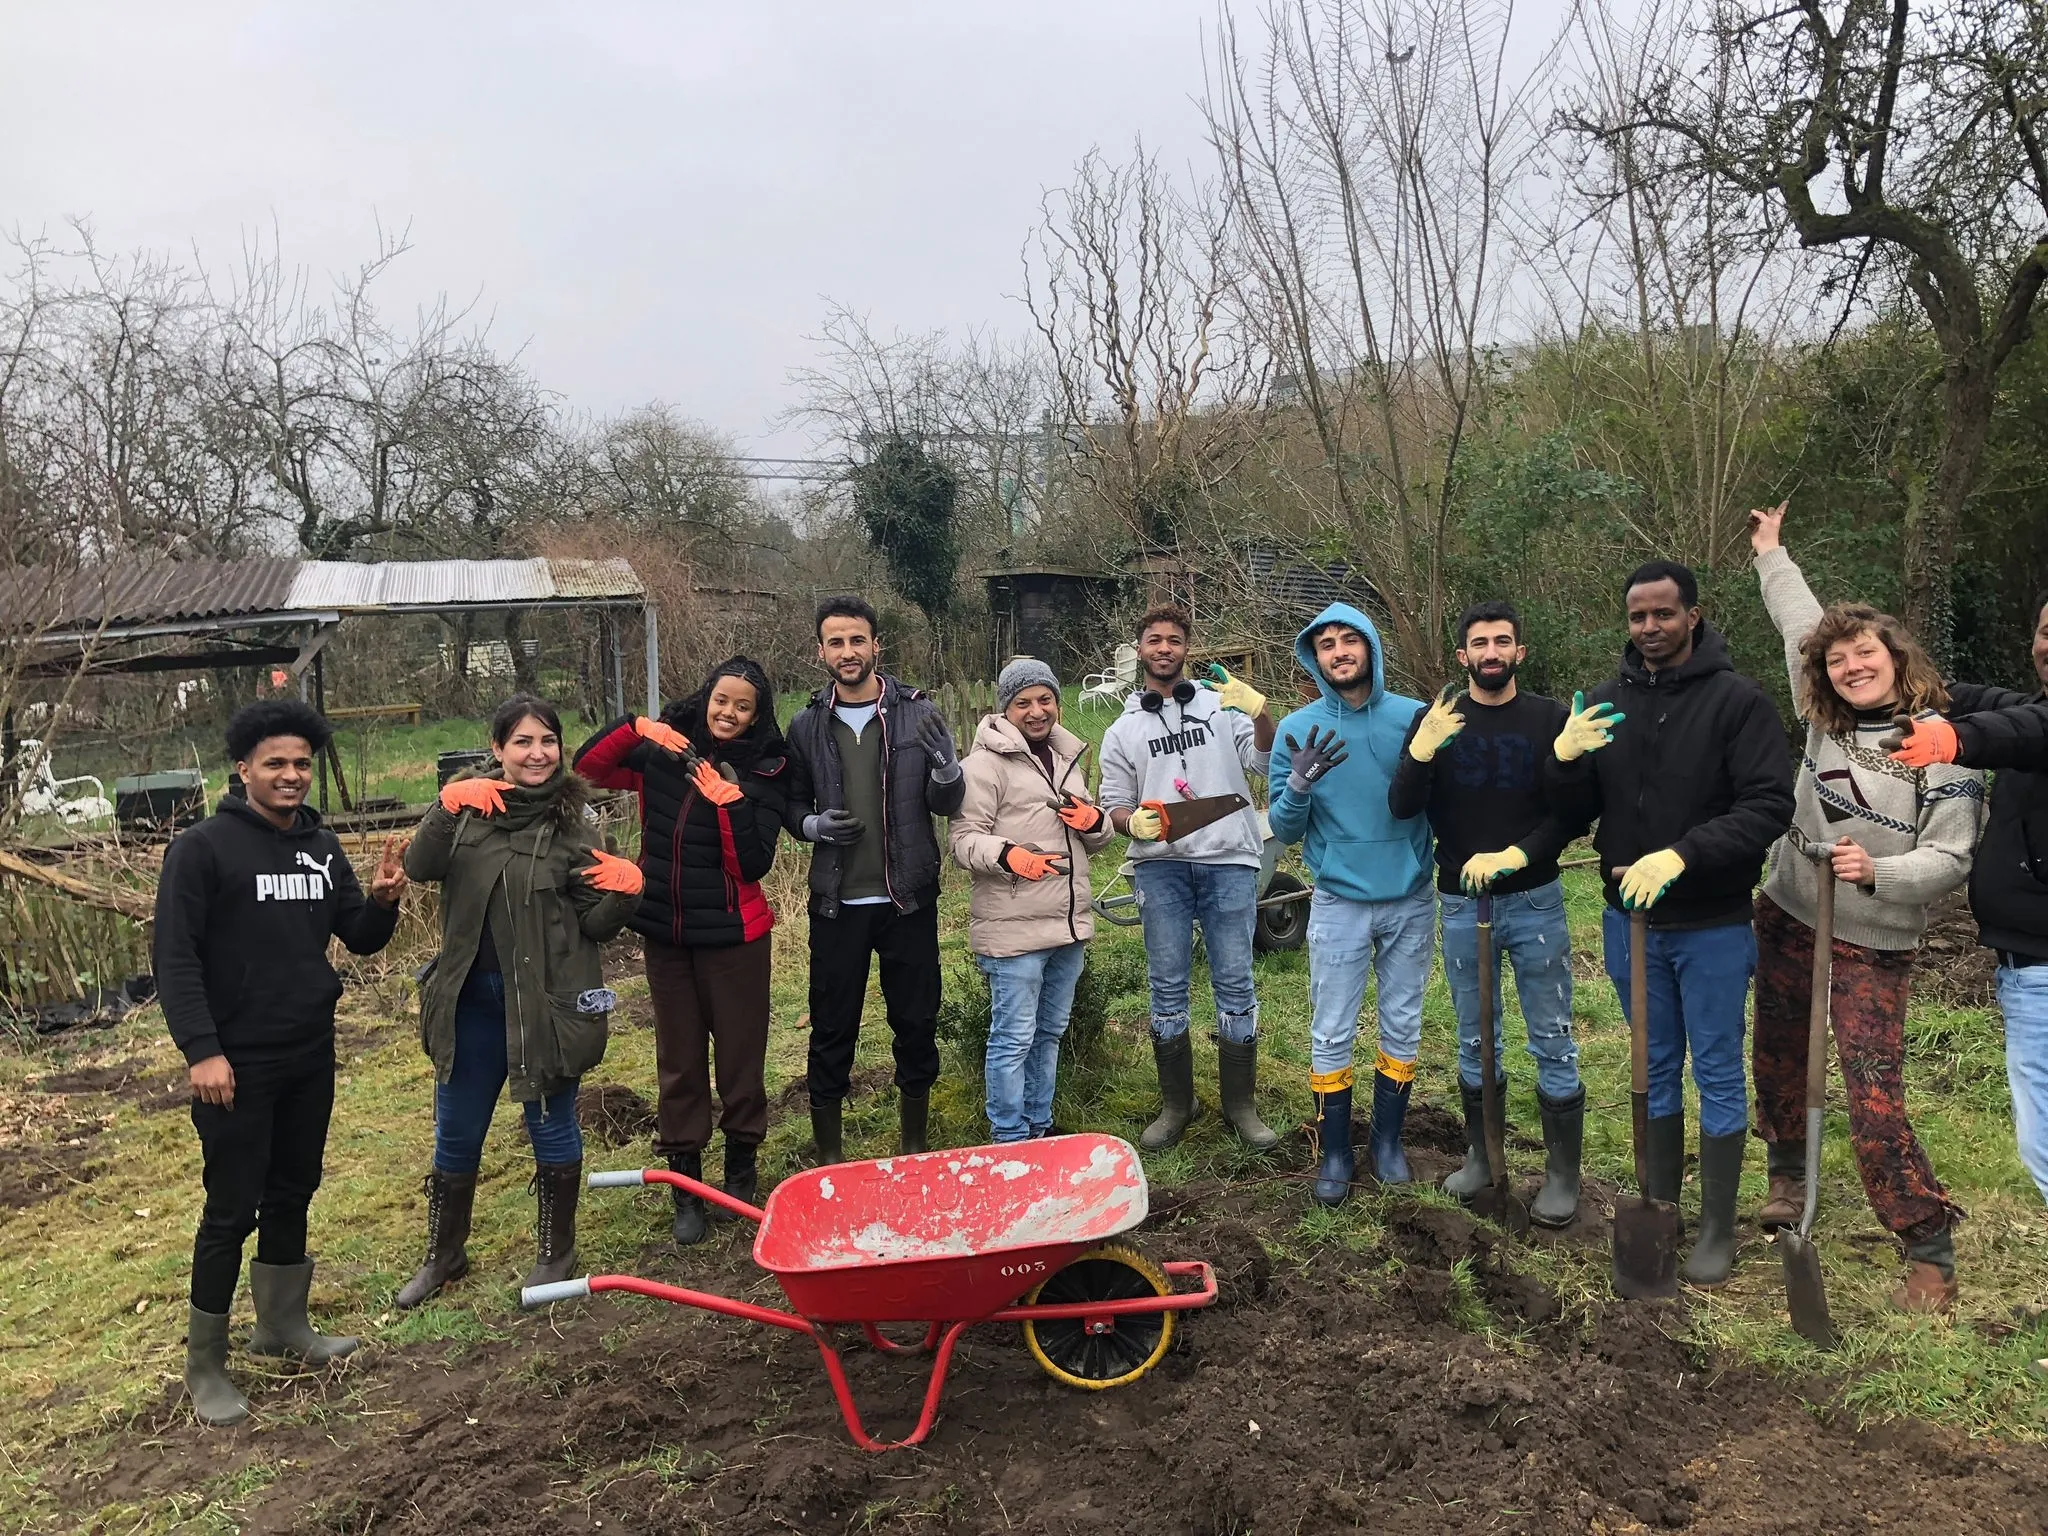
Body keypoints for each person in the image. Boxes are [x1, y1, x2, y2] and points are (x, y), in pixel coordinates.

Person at [1748, 503, 1984, 1311]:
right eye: (1841, 659)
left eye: (1865, 654)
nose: (1852, 666)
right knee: (1778, 1054)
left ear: (1895, 657)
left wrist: (1876, 870)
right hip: (1788, 912)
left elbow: (1949, 856)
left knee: (1871, 1091)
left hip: (1872, 939)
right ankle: (1787, 1177)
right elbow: (1798, 627)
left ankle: (1927, 1244)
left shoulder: (1944, 749)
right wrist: (1772, 553)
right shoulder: (1823, 718)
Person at [155, 699, 406, 1426]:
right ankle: (206, 1366)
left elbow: (356, 938)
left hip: (308, 1052)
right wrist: (202, 1050)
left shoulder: (321, 847)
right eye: (276, 764)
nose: (291, 775)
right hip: (233, 1063)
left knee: (294, 1188)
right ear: (244, 768)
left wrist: (384, 903)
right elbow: (175, 960)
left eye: (301, 763)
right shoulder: (201, 850)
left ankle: (283, 1327)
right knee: (231, 1209)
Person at [1553, 560, 1795, 1286]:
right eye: (1637, 616)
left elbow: (1766, 807)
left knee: (1716, 1066)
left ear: (1694, 615)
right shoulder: (1605, 704)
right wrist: (1564, 759)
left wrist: (1684, 856)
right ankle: (1661, 1205)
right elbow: (1569, 812)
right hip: (1630, 926)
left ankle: (1718, 1226)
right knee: (1652, 1064)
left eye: (1663, 614)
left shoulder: (1738, 703)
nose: (1649, 628)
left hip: (1712, 923)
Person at [396, 695, 642, 1308]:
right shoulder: (468, 814)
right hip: (468, 1006)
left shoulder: (575, 827)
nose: (538, 754)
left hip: (542, 1006)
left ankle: (557, 1251)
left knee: (549, 1124)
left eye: (548, 742)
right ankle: (445, 1254)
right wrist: (445, 806)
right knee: (456, 1131)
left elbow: (597, 924)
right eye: (523, 742)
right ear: (498, 749)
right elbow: (421, 867)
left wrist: (627, 893)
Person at [1387, 601, 1612, 1223]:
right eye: (1479, 643)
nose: (1491, 652)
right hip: (1462, 903)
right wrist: (1422, 753)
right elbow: (1403, 806)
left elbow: (1573, 814)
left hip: (1535, 900)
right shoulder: (1436, 721)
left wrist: (1519, 853)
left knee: (1552, 1036)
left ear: (1520, 652)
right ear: (1463, 657)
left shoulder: (1550, 719)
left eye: (1502, 642)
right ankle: (1483, 1155)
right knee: (1473, 1034)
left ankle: (1562, 1174)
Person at [572, 656, 788, 1245]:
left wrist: (731, 804)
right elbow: (588, 769)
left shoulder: (764, 768)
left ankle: (739, 1169)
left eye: (743, 706)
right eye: (723, 700)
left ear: (755, 716)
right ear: (706, 697)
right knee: (679, 1062)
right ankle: (685, 1185)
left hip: (734, 938)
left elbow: (752, 864)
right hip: (665, 932)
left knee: (741, 1059)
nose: (730, 713)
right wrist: (636, 726)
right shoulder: (662, 754)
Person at [782, 595, 964, 1163]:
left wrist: (947, 767)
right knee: (833, 1026)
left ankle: (913, 1144)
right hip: (837, 901)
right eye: (835, 642)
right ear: (821, 652)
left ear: (875, 644)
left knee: (915, 1020)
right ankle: (830, 1156)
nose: (847, 651)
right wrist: (811, 825)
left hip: (905, 896)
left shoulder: (916, 713)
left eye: (857, 640)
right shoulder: (808, 724)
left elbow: (947, 802)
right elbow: (787, 803)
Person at [1886, 590, 2048, 1211]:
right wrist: (1910, 682)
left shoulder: (2033, 725)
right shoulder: (2031, 708)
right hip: (2025, 970)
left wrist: (1955, 741)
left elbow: (2021, 729)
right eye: (2043, 632)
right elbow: (1999, 706)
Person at [1099, 605, 1279, 1151]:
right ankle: (1178, 1103)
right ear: (1141, 649)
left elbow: (1268, 763)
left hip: (1230, 861)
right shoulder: (1122, 729)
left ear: (1187, 649)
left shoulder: (1221, 708)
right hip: (1161, 870)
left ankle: (1239, 1104)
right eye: (1154, 639)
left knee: (1235, 982)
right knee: (1167, 984)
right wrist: (1132, 821)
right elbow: (1111, 808)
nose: (1164, 649)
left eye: (1175, 640)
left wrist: (1263, 711)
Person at [1265, 603, 1429, 1198]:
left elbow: (1442, 801)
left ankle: (1386, 1141)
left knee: (1403, 1020)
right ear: (1314, 658)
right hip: (1338, 900)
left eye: (1349, 640)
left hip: (1410, 896)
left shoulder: (1414, 719)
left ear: (1372, 648)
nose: (1338, 651)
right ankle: (1335, 1151)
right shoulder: (1296, 730)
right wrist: (1299, 784)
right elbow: (1283, 830)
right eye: (1326, 644)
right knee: (1332, 1028)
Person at [949, 658, 1117, 1141]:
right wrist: (1008, 855)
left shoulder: (1067, 758)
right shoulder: (982, 766)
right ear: (1006, 710)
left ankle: (1039, 1126)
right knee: (1013, 1039)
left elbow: (1096, 834)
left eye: (1045, 700)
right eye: (1023, 702)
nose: (1036, 710)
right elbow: (962, 839)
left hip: (1067, 926)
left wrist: (1095, 823)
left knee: (1048, 1034)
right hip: (1014, 928)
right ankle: (1009, 1136)